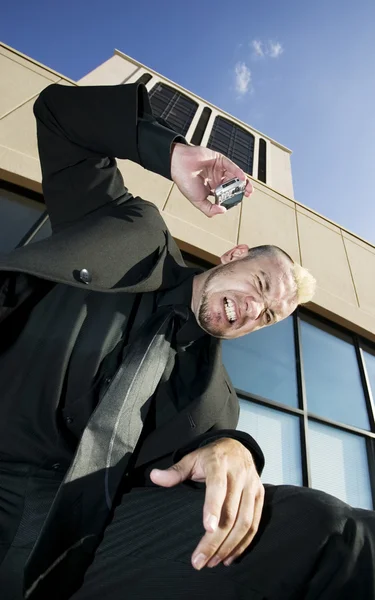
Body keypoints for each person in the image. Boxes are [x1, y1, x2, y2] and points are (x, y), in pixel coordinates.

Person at [0, 82, 374, 600]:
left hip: (64, 535)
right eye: (260, 285)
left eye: (266, 316)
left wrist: (234, 447)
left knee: (341, 534)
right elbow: (57, 114)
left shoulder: (214, 401)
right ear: (233, 255)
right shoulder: (134, 232)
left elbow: (197, 468)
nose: (252, 309)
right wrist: (170, 153)